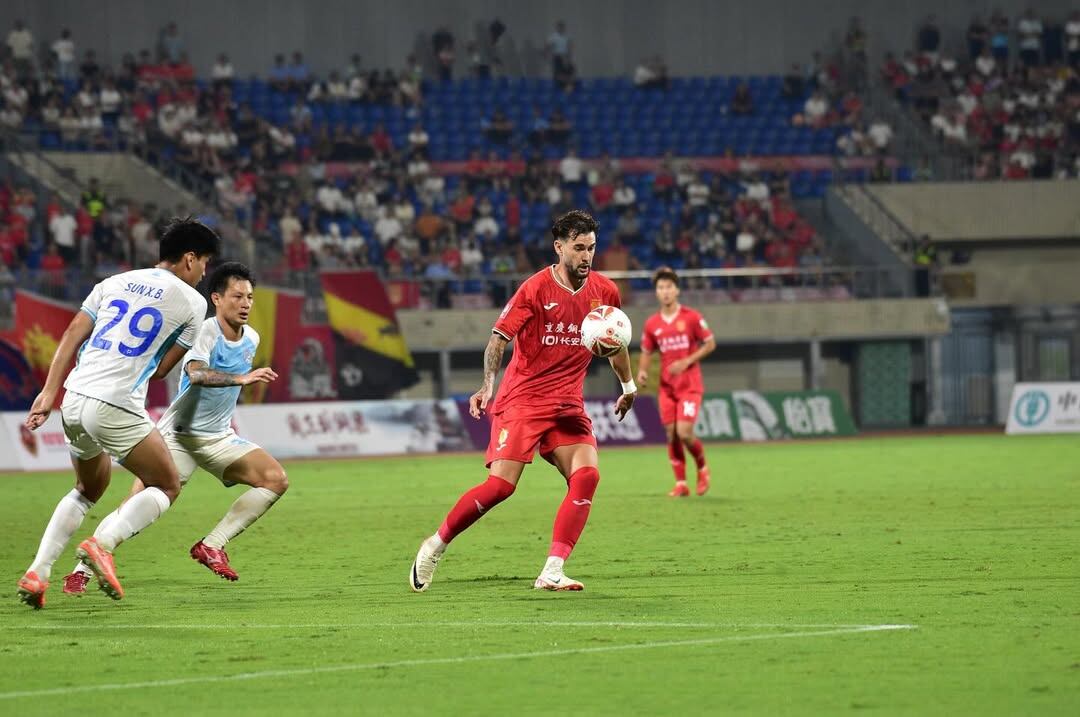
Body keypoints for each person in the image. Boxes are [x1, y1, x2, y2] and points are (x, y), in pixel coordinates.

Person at [410, 210, 636, 593]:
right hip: (524, 401)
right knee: (501, 487)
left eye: (592, 248)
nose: (586, 256)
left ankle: (552, 569)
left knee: (587, 476)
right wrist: (486, 386)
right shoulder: (534, 289)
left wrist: (628, 385)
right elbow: (499, 338)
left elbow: (615, 342)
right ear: (559, 246)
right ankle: (435, 545)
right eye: (578, 248)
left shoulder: (605, 292)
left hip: (567, 404)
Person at [16, 219, 220, 608]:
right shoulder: (193, 302)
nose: (205, 272)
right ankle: (102, 544)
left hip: (74, 397)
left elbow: (73, 331)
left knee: (87, 489)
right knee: (167, 483)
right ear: (189, 259)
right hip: (115, 402)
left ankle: (38, 572)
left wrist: (47, 393)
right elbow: (161, 369)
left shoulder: (112, 282)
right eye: (205, 262)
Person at [61, 263, 285, 593]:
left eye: (250, 297)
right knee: (135, 505)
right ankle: (82, 568)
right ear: (217, 298)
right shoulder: (204, 332)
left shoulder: (251, 337)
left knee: (275, 480)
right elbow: (195, 373)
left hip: (218, 436)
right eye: (237, 296)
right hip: (177, 436)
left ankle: (212, 545)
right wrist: (241, 378)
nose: (246, 303)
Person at [636, 267, 716, 497]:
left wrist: (687, 361)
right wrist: (642, 371)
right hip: (667, 388)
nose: (665, 291)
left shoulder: (692, 317)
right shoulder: (652, 324)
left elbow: (710, 344)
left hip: (689, 385)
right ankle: (681, 483)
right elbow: (646, 351)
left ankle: (702, 467)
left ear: (677, 290)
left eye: (669, 287)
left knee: (685, 433)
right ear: (657, 293)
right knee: (671, 434)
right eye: (661, 288)